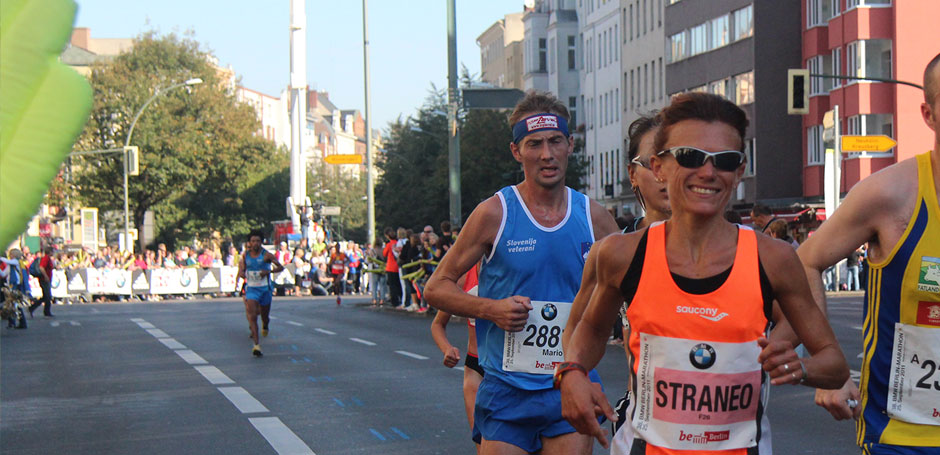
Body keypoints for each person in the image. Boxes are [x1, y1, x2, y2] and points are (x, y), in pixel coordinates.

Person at [558, 92, 849, 453]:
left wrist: (799, 368)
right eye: (690, 157)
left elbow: (834, 365)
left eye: (724, 161)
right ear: (659, 167)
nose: (708, 172)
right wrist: (571, 372)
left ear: (739, 172)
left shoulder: (772, 258)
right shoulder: (623, 254)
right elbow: (591, 327)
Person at [425, 89, 619, 455]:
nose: (546, 154)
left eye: (555, 141)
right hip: (507, 388)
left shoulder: (593, 217)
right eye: (534, 144)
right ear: (517, 151)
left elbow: (638, 289)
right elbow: (436, 288)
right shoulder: (495, 213)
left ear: (570, 145)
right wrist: (491, 309)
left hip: (571, 383)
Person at [791, 53, 940, 453]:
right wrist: (830, 369)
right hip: (904, 437)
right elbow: (805, 261)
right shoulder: (891, 195)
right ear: (929, 115)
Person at [561, 112, 672, 439]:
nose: (664, 174)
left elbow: (795, 321)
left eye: (678, 158)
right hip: (643, 423)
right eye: (654, 162)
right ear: (633, 175)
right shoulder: (614, 252)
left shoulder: (742, 247)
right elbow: (579, 328)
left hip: (726, 428)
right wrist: (574, 375)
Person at [430, 264, 484, 454]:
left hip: (508, 369)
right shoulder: (464, 276)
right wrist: (447, 349)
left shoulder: (513, 266)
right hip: (476, 368)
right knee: (483, 445)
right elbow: (437, 324)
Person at [237, 229, 284, 357]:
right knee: (252, 316)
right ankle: (256, 345)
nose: (255, 243)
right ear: (249, 243)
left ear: (261, 242)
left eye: (258, 241)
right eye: (253, 241)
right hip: (251, 289)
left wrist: (268, 272)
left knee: (264, 315)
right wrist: (242, 273)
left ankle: (265, 325)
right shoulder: (245, 255)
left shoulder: (266, 255)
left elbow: (281, 267)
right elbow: (243, 270)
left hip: (265, 290)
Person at [29, 246, 56, 317]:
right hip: (44, 279)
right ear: (49, 252)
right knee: (48, 296)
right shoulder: (46, 258)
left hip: (46, 279)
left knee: (45, 296)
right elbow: (41, 267)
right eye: (52, 251)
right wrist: (46, 276)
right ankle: (47, 312)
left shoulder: (48, 258)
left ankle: (32, 308)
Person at [382, 228, 402, 307]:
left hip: (390, 267)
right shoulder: (398, 243)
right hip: (398, 266)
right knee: (399, 284)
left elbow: (384, 254)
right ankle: (401, 298)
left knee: (392, 285)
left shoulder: (389, 244)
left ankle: (394, 301)